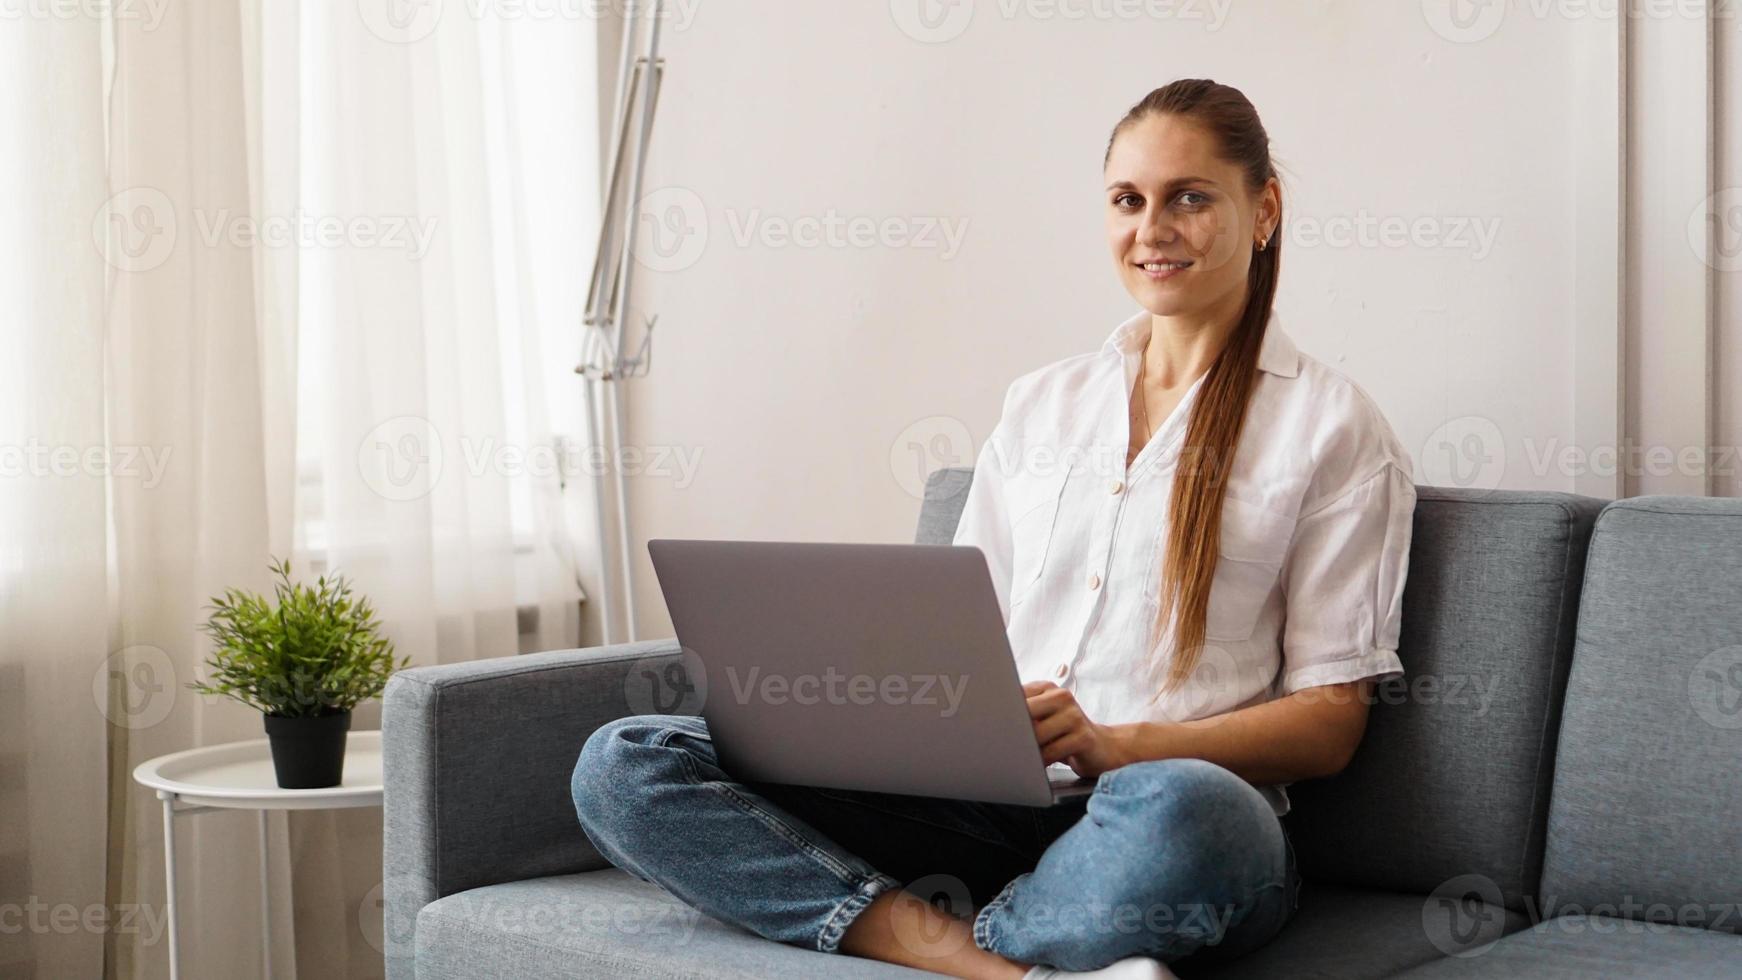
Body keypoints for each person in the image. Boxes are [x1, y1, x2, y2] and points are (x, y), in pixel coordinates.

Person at [571, 78, 1418, 980]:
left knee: (1191, 812)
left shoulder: (1333, 430)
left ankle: (963, 941)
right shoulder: (1042, 405)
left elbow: (1331, 725)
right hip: (981, 809)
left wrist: (1115, 745)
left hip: (1158, 828)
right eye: (1128, 200)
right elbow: (957, 634)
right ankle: (1008, 966)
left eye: (1190, 198)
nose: (1153, 229)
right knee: (627, 760)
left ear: (1264, 210)